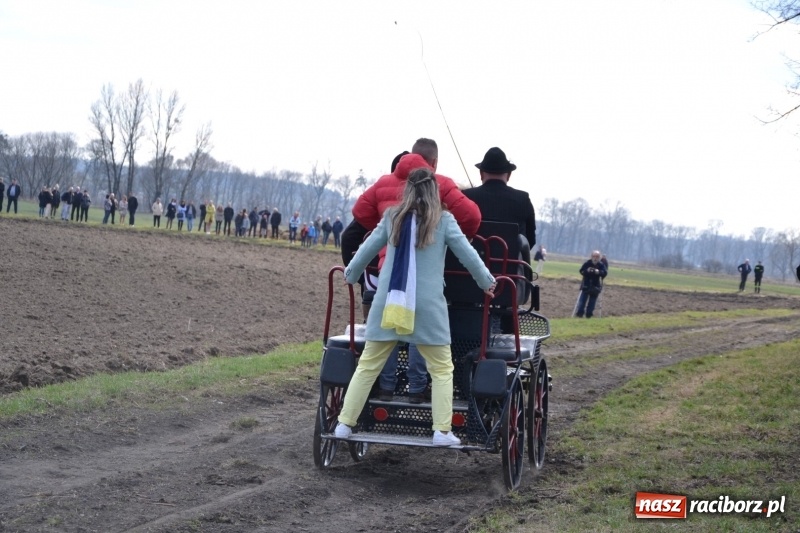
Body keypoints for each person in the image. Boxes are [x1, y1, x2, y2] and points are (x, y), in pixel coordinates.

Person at [335, 168, 496, 446]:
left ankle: (343, 425)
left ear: (407, 190)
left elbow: (366, 250)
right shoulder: (444, 221)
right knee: (442, 368)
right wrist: (487, 282)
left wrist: (350, 274)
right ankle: (441, 431)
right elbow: (469, 255)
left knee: (368, 366)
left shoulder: (391, 217)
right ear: (435, 192)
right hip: (427, 307)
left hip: (389, 302)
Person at [462, 146, 536, 248]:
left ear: (481, 174)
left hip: (470, 262)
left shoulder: (466, 196)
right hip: (512, 263)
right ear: (509, 175)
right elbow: (530, 241)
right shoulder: (523, 199)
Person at [575, 251, 607, 318]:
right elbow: (581, 271)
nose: (595, 258)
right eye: (594, 256)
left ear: (599, 257)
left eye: (597, 257)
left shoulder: (601, 265)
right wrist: (587, 270)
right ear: (591, 256)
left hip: (596, 286)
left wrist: (598, 272)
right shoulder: (587, 263)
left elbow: (604, 273)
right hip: (586, 285)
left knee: (592, 303)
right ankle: (579, 315)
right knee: (582, 302)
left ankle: (589, 315)